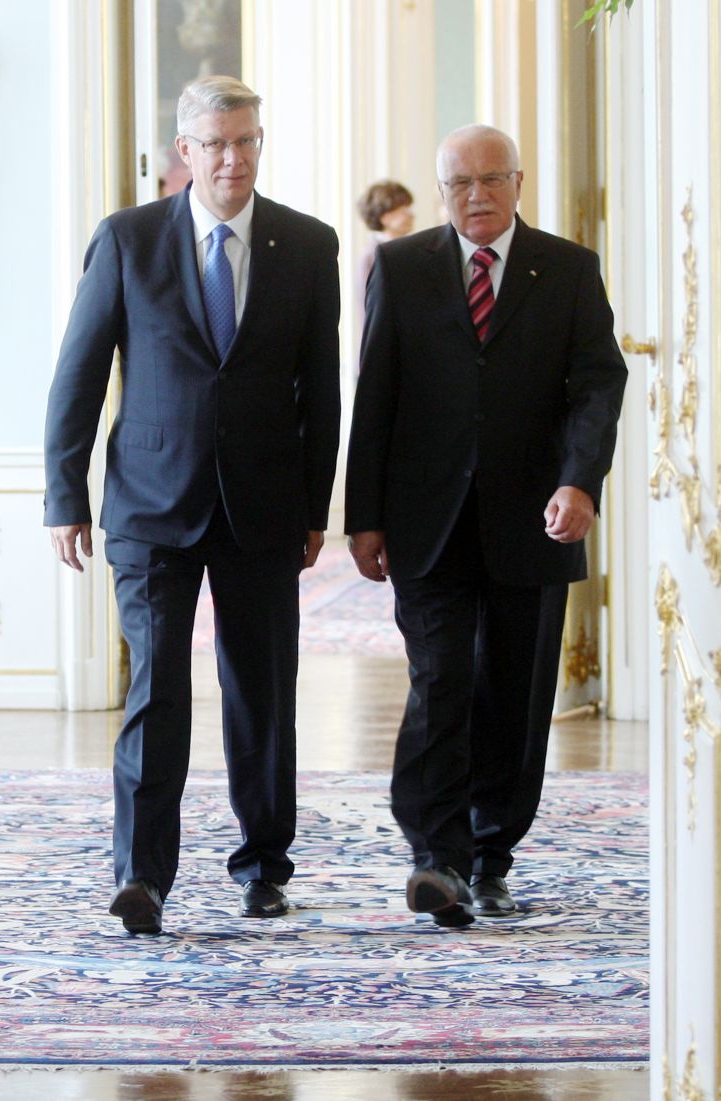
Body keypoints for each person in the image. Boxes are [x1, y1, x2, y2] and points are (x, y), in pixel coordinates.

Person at [44, 76, 341, 934]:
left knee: (262, 693)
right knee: (155, 690)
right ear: (186, 150)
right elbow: (79, 372)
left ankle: (263, 866)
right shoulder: (128, 239)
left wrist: (314, 506)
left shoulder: (307, 243)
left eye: (246, 141)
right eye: (215, 143)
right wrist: (65, 495)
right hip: (149, 504)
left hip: (263, 506)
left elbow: (321, 388)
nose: (233, 159)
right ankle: (142, 875)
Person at [345, 124, 626, 928]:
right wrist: (363, 518)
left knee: (513, 693)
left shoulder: (568, 269)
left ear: (518, 182)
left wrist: (580, 480)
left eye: (491, 179)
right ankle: (435, 855)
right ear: (441, 192)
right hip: (426, 518)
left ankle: (491, 855)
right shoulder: (401, 266)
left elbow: (597, 385)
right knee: (439, 681)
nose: (476, 196)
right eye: (459, 184)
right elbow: (376, 393)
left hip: (535, 519)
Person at [355, 180, 414, 329]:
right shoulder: (371, 256)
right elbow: (369, 309)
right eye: (403, 209)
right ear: (385, 216)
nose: (411, 215)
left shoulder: (409, 249)